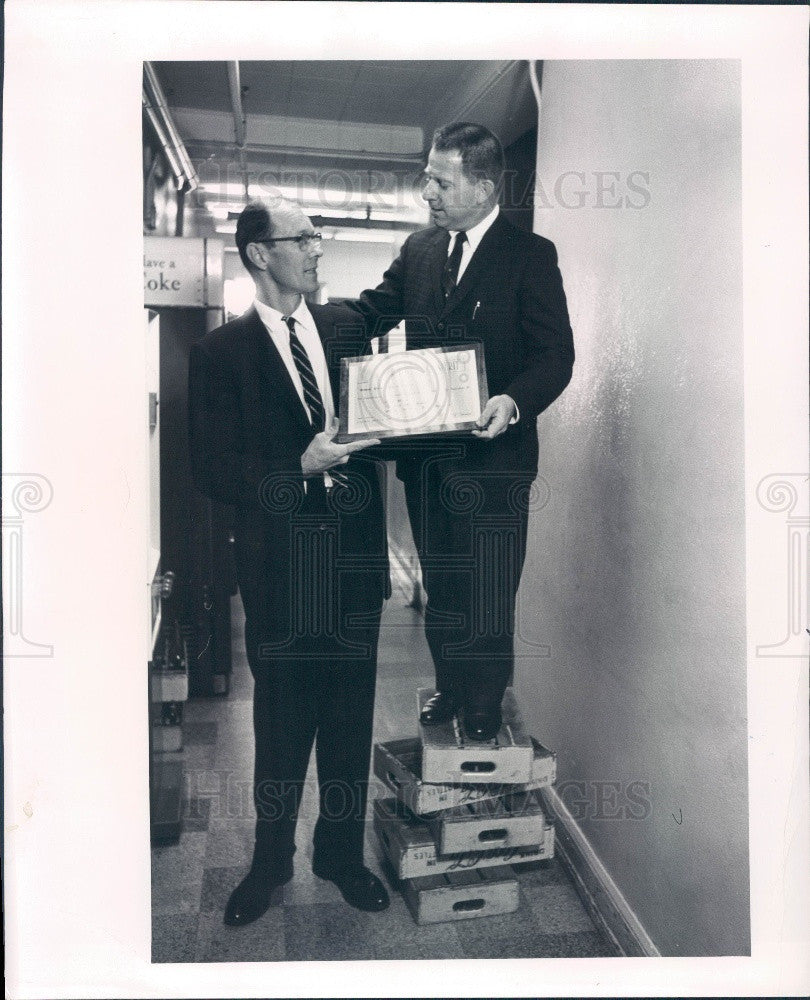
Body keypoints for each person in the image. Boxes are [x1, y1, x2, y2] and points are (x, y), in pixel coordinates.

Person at [188, 197, 390, 927]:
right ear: (258, 254)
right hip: (280, 572)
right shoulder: (218, 354)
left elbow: (382, 417)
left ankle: (339, 855)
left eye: (316, 236)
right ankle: (269, 862)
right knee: (279, 726)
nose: (316, 249)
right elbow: (211, 469)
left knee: (348, 721)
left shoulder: (344, 329)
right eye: (301, 238)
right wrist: (296, 465)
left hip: (356, 564)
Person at [348, 122, 574, 743]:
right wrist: (307, 320)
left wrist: (513, 399)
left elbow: (555, 356)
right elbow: (374, 308)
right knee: (443, 580)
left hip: (495, 463)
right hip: (427, 461)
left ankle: (483, 701)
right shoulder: (420, 251)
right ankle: (450, 684)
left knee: (490, 588)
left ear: (481, 186)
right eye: (428, 177)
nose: (427, 192)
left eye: (440, 180)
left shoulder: (531, 257)